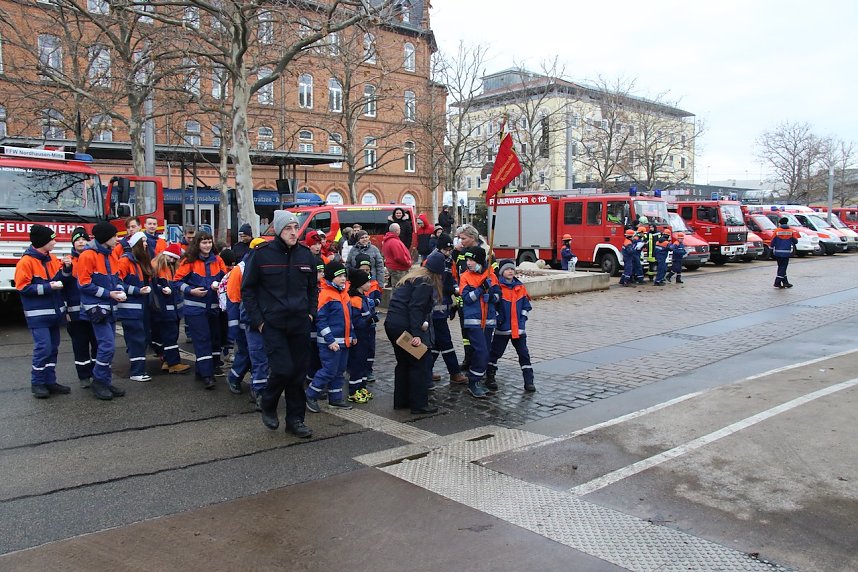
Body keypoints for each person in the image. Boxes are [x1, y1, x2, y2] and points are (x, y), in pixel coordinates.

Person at [241, 210, 317, 438]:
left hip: (300, 323)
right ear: (278, 230)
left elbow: (313, 288)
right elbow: (248, 289)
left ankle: (295, 420)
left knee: (298, 374)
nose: (293, 233)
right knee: (283, 369)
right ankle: (268, 402)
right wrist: (259, 321)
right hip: (272, 323)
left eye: (295, 228)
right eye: (288, 229)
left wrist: (311, 314)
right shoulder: (262, 254)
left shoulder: (306, 255)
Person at [384, 256, 446, 414]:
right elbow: (415, 308)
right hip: (404, 327)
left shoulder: (413, 278)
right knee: (420, 362)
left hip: (392, 325)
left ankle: (401, 401)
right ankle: (419, 405)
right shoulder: (425, 283)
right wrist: (416, 333)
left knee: (403, 363)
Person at [15, 224, 71, 398]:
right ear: (42, 242)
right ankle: (37, 382)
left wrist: (67, 269)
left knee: (52, 349)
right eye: (52, 240)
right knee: (44, 348)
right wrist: (48, 287)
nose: (55, 242)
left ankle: (49, 381)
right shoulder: (26, 262)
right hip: (38, 315)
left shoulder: (52, 259)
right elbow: (22, 288)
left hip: (53, 314)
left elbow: (61, 280)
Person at [75, 222, 127, 400]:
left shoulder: (111, 254)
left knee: (107, 347)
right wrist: (109, 293)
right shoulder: (88, 256)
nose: (117, 239)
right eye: (114, 236)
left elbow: (117, 277)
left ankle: (104, 381)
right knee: (107, 346)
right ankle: (99, 381)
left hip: (109, 307)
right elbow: (83, 284)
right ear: (106, 238)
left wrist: (119, 289)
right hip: (97, 309)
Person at [174, 231, 227, 389]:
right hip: (195, 309)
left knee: (213, 339)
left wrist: (220, 286)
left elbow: (226, 279)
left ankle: (201, 370)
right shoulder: (189, 261)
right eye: (204, 242)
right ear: (197, 244)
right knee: (203, 340)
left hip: (213, 308)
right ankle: (207, 375)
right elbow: (176, 282)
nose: (207, 245)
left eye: (209, 242)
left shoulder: (217, 260)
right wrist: (191, 291)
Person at [305, 261, 355, 412]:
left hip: (344, 341)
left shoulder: (344, 294)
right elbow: (321, 320)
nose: (342, 278)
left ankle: (335, 398)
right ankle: (310, 394)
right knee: (329, 370)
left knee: (339, 371)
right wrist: (330, 340)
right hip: (330, 343)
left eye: (344, 276)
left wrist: (352, 334)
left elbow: (349, 319)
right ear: (331, 277)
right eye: (339, 276)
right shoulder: (325, 295)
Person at [225, 238, 269, 399]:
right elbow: (233, 299)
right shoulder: (240, 270)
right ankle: (238, 380)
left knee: (255, 356)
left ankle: (242, 381)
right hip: (247, 320)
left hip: (259, 319)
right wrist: (234, 326)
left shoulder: (264, 267)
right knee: (251, 355)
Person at [486, 259, 535, 392]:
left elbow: (526, 306)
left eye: (512, 269)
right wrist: (498, 318)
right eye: (507, 269)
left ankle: (529, 381)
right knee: (495, 353)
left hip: (518, 330)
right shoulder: (498, 288)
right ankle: (490, 376)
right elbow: (493, 306)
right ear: (502, 272)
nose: (510, 271)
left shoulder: (521, 287)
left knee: (524, 354)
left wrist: (523, 320)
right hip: (502, 329)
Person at [426, 237, 466, 385]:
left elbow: (451, 278)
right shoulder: (433, 261)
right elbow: (437, 286)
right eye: (445, 250)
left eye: (449, 250)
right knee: (445, 342)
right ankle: (454, 372)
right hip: (435, 311)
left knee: (437, 343)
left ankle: (427, 370)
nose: (448, 253)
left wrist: (454, 290)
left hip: (442, 307)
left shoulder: (448, 261)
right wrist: (452, 290)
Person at [62, 227, 99, 389]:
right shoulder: (67, 261)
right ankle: (84, 376)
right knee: (80, 344)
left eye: (84, 239)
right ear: (73, 243)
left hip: (93, 311)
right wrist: (66, 269)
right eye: (77, 240)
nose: (81, 242)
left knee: (97, 343)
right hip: (75, 313)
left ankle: (98, 374)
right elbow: (62, 288)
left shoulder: (94, 257)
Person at [116, 232, 154, 382]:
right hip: (130, 308)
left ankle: (139, 370)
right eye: (143, 241)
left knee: (141, 338)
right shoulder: (125, 261)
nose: (146, 244)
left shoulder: (139, 261)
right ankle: (136, 371)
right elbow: (118, 283)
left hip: (141, 306)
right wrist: (138, 291)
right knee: (136, 339)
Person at [451, 224, 488, 371]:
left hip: (479, 301)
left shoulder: (485, 251)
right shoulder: (461, 251)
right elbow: (456, 271)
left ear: (472, 238)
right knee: (465, 332)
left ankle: (480, 363)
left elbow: (490, 276)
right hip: (463, 300)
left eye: (463, 238)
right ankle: (468, 358)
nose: (460, 241)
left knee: (479, 334)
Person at [151, 244, 191, 374]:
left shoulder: (162, 266)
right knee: (171, 336)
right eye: (171, 258)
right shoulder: (160, 268)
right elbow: (155, 287)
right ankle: (173, 363)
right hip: (167, 308)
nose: (172, 260)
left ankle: (168, 361)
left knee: (169, 336)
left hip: (169, 308)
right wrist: (162, 289)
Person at [346, 268, 376, 404]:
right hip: (360, 335)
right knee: (357, 364)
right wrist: (369, 320)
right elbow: (357, 322)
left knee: (363, 362)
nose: (369, 284)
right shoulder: (355, 300)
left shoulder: (363, 298)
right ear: (360, 284)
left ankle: (361, 387)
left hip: (366, 335)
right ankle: (353, 390)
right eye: (367, 281)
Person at [355, 254, 382, 384]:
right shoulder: (354, 285)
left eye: (368, 270)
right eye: (363, 270)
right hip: (360, 322)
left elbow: (379, 298)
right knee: (360, 347)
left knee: (371, 346)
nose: (366, 272)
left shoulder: (374, 284)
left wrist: (374, 302)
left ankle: (368, 370)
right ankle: (356, 370)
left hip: (371, 321)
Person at [381, 222, 412, 287]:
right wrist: (408, 263)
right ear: (397, 231)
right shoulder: (394, 241)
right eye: (399, 229)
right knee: (400, 288)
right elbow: (399, 257)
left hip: (393, 267)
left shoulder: (387, 240)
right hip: (399, 269)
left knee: (396, 287)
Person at [771, 217, 798, 288]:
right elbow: (796, 241)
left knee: (781, 267)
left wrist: (771, 248)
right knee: (783, 267)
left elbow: (772, 241)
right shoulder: (791, 231)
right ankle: (777, 282)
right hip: (786, 252)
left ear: (780, 223)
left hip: (777, 252)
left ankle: (785, 282)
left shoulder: (777, 231)